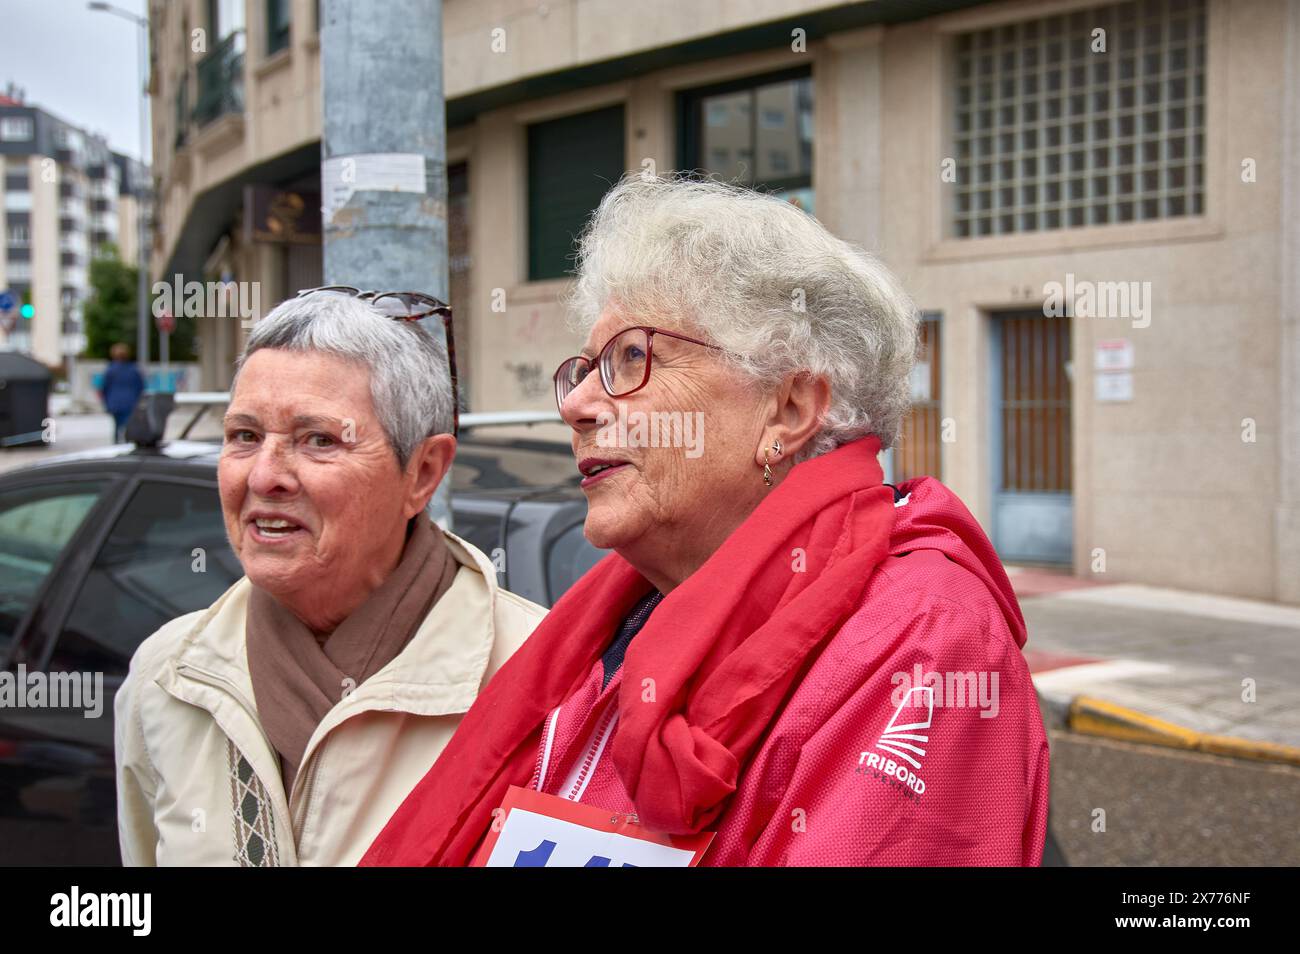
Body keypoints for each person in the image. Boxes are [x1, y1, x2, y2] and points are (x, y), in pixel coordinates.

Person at [363, 174, 1051, 867]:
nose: (576, 405)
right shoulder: (619, 619)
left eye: (631, 357)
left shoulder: (923, 640)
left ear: (787, 410)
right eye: (584, 368)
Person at [114, 290, 545, 865]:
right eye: (244, 436)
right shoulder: (166, 678)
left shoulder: (543, 681)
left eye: (318, 440)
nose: (264, 476)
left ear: (422, 473)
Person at [99, 342, 145, 443]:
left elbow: (105, 388)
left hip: (115, 403)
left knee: (116, 428)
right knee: (128, 427)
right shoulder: (134, 370)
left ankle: (116, 446)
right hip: (130, 403)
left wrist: (106, 403)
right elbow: (141, 387)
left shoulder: (110, 370)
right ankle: (128, 446)